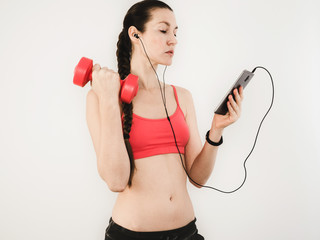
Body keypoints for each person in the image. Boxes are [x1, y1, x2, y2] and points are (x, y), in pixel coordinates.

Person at [86, 0, 244, 239]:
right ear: (135, 34)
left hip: (187, 232)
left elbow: (198, 179)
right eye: (163, 30)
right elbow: (116, 181)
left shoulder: (182, 96)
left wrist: (216, 131)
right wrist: (109, 98)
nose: (173, 39)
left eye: (175, 32)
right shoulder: (102, 96)